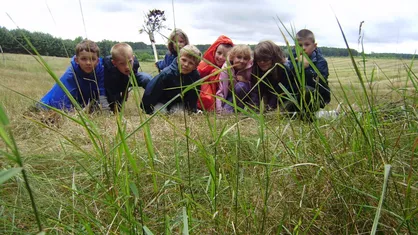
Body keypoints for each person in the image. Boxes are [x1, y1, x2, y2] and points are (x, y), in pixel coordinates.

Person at [39, 39, 106, 111]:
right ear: (77, 60)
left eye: (92, 59)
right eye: (83, 59)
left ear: (98, 60)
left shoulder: (101, 70)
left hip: (85, 103)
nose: (88, 63)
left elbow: (102, 92)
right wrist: (71, 113)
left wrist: (105, 111)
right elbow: (61, 100)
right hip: (54, 104)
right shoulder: (70, 74)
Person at [142, 45, 202, 114]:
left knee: (180, 113)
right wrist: (146, 108)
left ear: (195, 67)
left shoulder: (195, 77)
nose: (186, 64)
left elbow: (193, 95)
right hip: (161, 101)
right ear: (177, 59)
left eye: (191, 63)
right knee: (161, 112)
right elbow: (151, 91)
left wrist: (192, 109)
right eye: (184, 60)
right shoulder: (166, 74)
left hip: (177, 103)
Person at [286, 29, 331, 114]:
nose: (303, 48)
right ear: (295, 47)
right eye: (300, 45)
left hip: (316, 96)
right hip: (296, 96)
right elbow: (289, 79)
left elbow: (321, 84)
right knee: (283, 110)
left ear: (314, 46)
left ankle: (310, 114)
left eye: (307, 44)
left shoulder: (321, 62)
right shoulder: (291, 60)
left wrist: (307, 69)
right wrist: (297, 66)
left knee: (307, 90)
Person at [103, 43, 152, 112]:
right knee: (117, 108)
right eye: (122, 63)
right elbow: (110, 90)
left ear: (133, 58)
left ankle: (151, 104)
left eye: (129, 62)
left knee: (146, 78)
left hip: (130, 78)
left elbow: (130, 77)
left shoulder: (135, 64)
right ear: (114, 63)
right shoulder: (109, 68)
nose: (127, 67)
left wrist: (126, 91)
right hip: (115, 81)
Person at [252, 40, 293, 111]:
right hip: (266, 96)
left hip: (283, 99)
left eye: (265, 59)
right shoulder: (256, 69)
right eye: (258, 59)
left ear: (274, 58)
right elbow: (256, 91)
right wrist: (255, 107)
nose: (262, 62)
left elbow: (279, 92)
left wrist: (270, 108)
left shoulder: (283, 70)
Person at [216, 44, 258, 113]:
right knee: (225, 112)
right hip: (231, 96)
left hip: (246, 96)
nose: (242, 61)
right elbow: (221, 90)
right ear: (232, 57)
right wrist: (219, 109)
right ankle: (234, 108)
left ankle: (243, 107)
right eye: (239, 57)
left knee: (240, 86)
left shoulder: (251, 67)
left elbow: (255, 87)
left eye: (245, 58)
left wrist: (246, 81)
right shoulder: (226, 68)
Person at [197, 35, 233, 112]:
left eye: (225, 56)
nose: (220, 57)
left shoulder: (232, 70)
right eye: (219, 53)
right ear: (214, 51)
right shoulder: (204, 65)